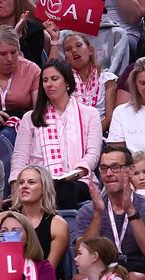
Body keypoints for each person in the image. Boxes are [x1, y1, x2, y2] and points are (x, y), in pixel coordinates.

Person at [11, 59, 102, 209]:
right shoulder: (30, 118)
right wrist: (15, 184)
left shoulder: (89, 114)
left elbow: (93, 154)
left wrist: (78, 172)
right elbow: (20, 157)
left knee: (64, 189)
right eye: (45, 80)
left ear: (67, 83)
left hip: (78, 180)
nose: (49, 84)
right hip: (39, 181)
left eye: (54, 79)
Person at [73, 146, 145, 278]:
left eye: (115, 167)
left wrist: (131, 212)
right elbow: (81, 254)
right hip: (100, 273)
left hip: (138, 273)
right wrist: (98, 215)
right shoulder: (89, 211)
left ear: (131, 170)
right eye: (104, 168)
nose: (109, 173)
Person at [0, 166, 69, 275]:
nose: (24, 186)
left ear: (44, 188)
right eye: (20, 183)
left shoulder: (58, 224)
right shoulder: (2, 219)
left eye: (31, 182)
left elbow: (49, 270)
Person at [47, 29, 117, 130]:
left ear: (90, 50)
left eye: (78, 45)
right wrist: (55, 40)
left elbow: (109, 117)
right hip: (68, 132)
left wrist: (91, 136)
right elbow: (50, 72)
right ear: (67, 59)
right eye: (68, 49)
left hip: (99, 132)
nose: (74, 50)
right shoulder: (64, 81)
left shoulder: (107, 79)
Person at [0, 25, 40, 138]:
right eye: (3, 54)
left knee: (6, 135)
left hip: (22, 127)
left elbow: (38, 112)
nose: (9, 58)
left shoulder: (32, 70)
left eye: (14, 52)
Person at [0, 211, 56, 280]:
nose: (9, 235)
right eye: (4, 231)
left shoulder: (43, 268)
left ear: (28, 238)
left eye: (15, 231)